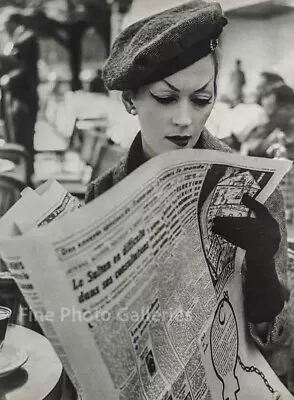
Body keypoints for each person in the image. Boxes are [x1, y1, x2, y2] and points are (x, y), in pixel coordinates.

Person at [85, 0, 292, 388]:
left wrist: (264, 273)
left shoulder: (252, 188)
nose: (185, 120)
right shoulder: (103, 192)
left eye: (202, 99)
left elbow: (277, 348)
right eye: (165, 99)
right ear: (130, 100)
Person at [0, 10, 39, 184]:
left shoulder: (26, 38)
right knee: (14, 138)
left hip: (22, 99)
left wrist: (8, 76)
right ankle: (21, 181)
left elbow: (23, 68)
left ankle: (24, 183)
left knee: (22, 141)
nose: (2, 28)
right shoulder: (16, 38)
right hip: (12, 98)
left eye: (4, 24)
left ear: (13, 22)